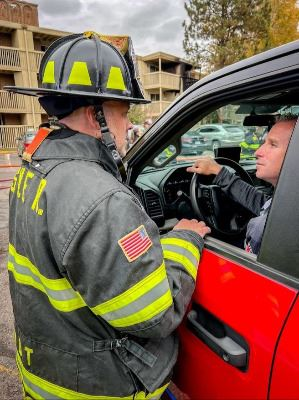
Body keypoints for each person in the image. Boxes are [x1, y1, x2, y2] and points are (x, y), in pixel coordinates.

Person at [6, 32, 210, 399]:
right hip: (101, 385)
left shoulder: (33, 169)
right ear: (94, 113)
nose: (126, 126)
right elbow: (152, 314)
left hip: (47, 374)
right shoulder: (103, 199)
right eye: (124, 113)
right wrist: (184, 242)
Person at [187, 117, 296, 254]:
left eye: (273, 144)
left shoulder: (261, 229)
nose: (257, 152)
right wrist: (218, 172)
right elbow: (264, 204)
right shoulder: (288, 203)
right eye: (264, 143)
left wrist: (189, 236)